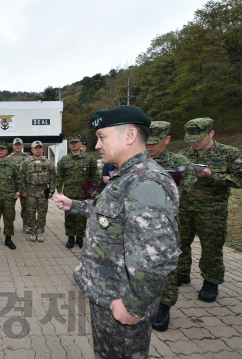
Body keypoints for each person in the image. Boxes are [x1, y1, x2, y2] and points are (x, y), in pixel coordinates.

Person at [55, 105, 181, 358]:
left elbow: (158, 256)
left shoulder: (146, 181)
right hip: (108, 293)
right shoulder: (127, 176)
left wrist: (134, 307)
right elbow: (110, 213)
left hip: (122, 301)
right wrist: (75, 205)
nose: (97, 145)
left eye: (102, 137)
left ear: (130, 136)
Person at [177, 118, 242, 302]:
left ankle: (211, 281)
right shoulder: (183, 155)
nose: (195, 142)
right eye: (191, 138)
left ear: (212, 133)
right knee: (179, 243)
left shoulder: (229, 153)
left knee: (211, 248)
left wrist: (212, 175)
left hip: (212, 211)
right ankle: (182, 273)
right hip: (184, 208)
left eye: (199, 137)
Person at [145, 121, 196, 331]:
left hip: (167, 225)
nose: (150, 146)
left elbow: (187, 190)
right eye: (146, 141)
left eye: (155, 143)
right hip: (138, 225)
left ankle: (164, 307)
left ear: (167, 139)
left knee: (166, 267)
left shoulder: (179, 163)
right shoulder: (135, 160)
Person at [55, 134, 99, 249]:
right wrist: (60, 191)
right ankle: (70, 237)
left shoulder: (89, 159)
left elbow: (94, 175)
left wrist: (97, 189)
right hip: (68, 193)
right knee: (69, 216)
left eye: (76, 142)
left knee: (82, 216)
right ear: (69, 145)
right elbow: (59, 176)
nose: (74, 144)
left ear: (80, 144)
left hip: (83, 193)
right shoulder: (64, 160)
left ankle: (80, 237)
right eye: (71, 143)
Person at [20, 141, 55, 242]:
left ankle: (40, 231)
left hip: (43, 190)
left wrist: (51, 191)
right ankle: (33, 231)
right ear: (32, 150)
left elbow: (52, 177)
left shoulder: (48, 162)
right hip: (30, 191)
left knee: (42, 212)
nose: (38, 149)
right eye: (36, 148)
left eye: (40, 147)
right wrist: (23, 190)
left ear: (42, 149)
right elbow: (21, 177)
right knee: (30, 212)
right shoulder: (26, 162)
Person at [7, 138, 31, 233]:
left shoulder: (27, 158)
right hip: (12, 187)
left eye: (19, 144)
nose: (17, 146)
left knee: (25, 207)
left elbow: (29, 173)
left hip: (24, 187)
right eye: (16, 145)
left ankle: (26, 225)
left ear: (22, 146)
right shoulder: (9, 158)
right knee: (10, 207)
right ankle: (10, 224)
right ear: (13, 146)